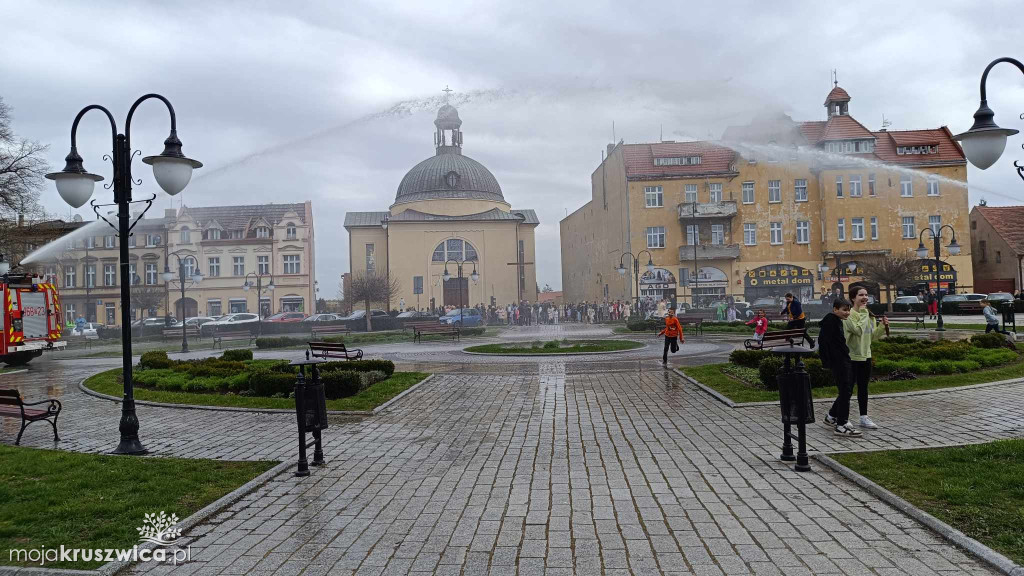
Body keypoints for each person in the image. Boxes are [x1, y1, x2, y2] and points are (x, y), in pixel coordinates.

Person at [845, 285, 887, 429]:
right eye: (860, 295)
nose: (864, 298)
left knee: (863, 388)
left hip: (866, 356)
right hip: (852, 357)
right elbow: (858, 331)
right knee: (848, 389)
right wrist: (863, 314)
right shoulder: (849, 315)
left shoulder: (869, 315)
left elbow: (871, 337)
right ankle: (840, 416)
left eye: (866, 295)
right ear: (853, 298)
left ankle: (864, 417)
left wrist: (881, 326)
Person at [819, 298, 861, 437]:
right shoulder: (831, 322)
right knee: (845, 391)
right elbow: (824, 343)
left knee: (846, 390)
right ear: (835, 309)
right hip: (839, 361)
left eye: (848, 310)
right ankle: (841, 425)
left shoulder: (834, 321)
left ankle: (832, 416)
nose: (847, 313)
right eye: (844, 310)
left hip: (841, 359)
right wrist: (827, 361)